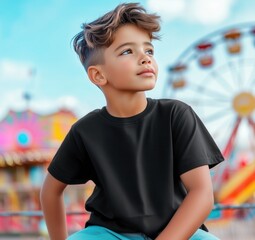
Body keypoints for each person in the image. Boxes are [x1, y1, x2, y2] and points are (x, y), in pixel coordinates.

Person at [40, 3, 224, 240]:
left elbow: (201, 194)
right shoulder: (84, 131)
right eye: (127, 51)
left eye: (149, 51)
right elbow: (50, 191)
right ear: (98, 75)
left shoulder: (176, 115)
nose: (145, 58)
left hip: (178, 231)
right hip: (107, 233)